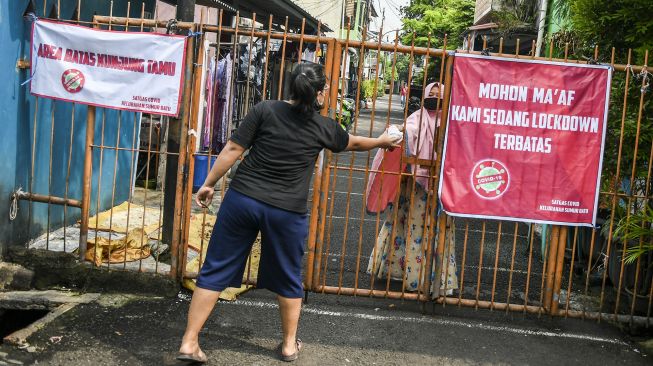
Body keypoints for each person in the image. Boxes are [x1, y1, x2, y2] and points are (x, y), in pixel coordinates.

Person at [176, 62, 402, 364]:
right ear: (319, 94)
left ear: (290, 87)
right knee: (288, 277)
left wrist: (208, 184)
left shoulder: (264, 110)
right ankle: (288, 345)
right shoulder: (323, 126)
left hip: (242, 200)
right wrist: (383, 141)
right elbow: (354, 143)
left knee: (214, 269)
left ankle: (190, 343)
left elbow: (232, 149)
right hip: (286, 211)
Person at [365, 82, 458, 297]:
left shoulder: (452, 121)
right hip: (413, 187)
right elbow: (409, 131)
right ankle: (406, 275)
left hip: (440, 187)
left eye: (439, 95)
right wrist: (398, 130)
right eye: (431, 94)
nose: (434, 98)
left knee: (436, 231)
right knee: (407, 227)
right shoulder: (417, 117)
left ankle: (436, 280)